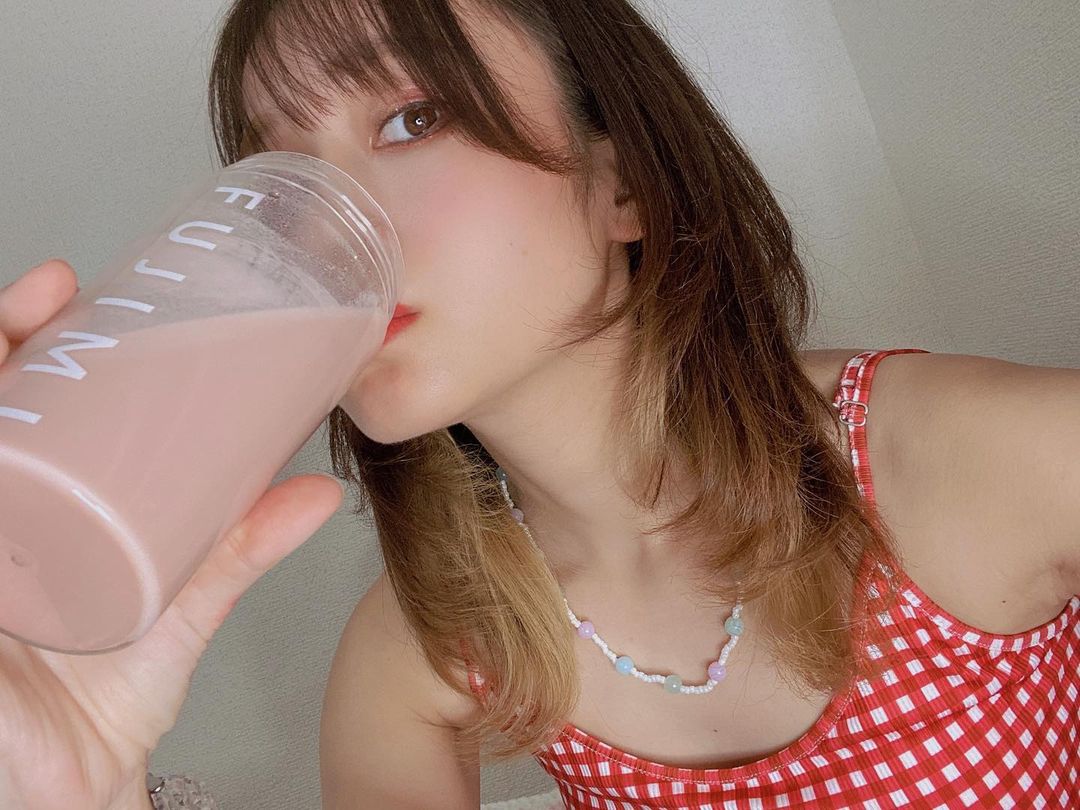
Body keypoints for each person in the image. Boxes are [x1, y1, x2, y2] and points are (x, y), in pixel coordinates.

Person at [2, 0, 1078, 808]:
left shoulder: (992, 459)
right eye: (280, 174)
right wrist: (77, 780)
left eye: (412, 117)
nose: (321, 232)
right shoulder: (427, 650)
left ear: (625, 184)